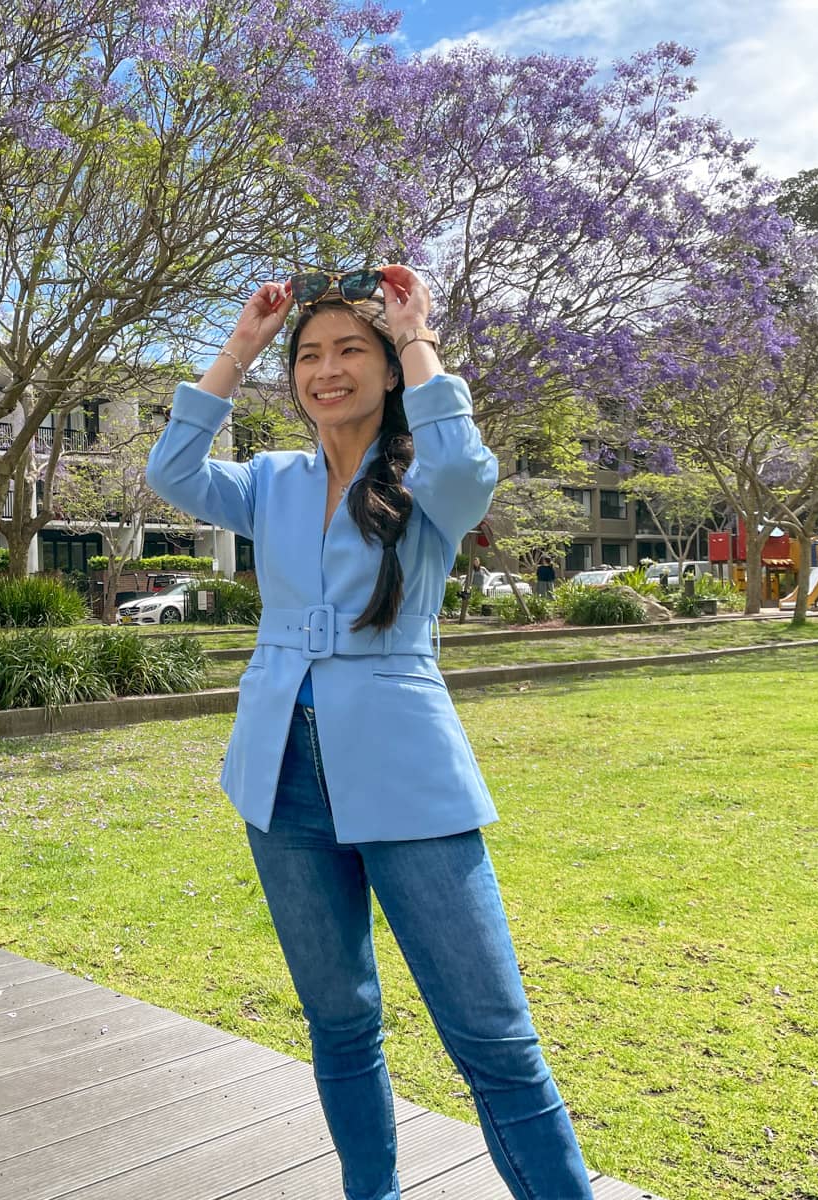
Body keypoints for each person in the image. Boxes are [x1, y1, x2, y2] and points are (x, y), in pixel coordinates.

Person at [147, 266, 593, 1200]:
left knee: (493, 1035)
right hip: (280, 777)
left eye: (353, 349)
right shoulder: (268, 480)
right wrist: (242, 347)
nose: (327, 370)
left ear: (390, 371)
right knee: (340, 1021)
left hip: (405, 771)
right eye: (311, 355)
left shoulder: (430, 482)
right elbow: (170, 472)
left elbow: (470, 472)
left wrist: (418, 331)